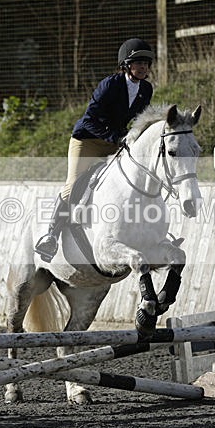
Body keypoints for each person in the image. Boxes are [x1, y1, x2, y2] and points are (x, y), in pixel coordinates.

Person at [34, 38, 155, 262]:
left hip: (115, 141)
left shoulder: (146, 89)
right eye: (138, 62)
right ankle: (51, 236)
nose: (143, 67)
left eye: (146, 63)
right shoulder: (109, 85)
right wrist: (115, 137)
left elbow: (139, 120)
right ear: (126, 64)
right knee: (73, 185)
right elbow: (89, 120)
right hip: (87, 140)